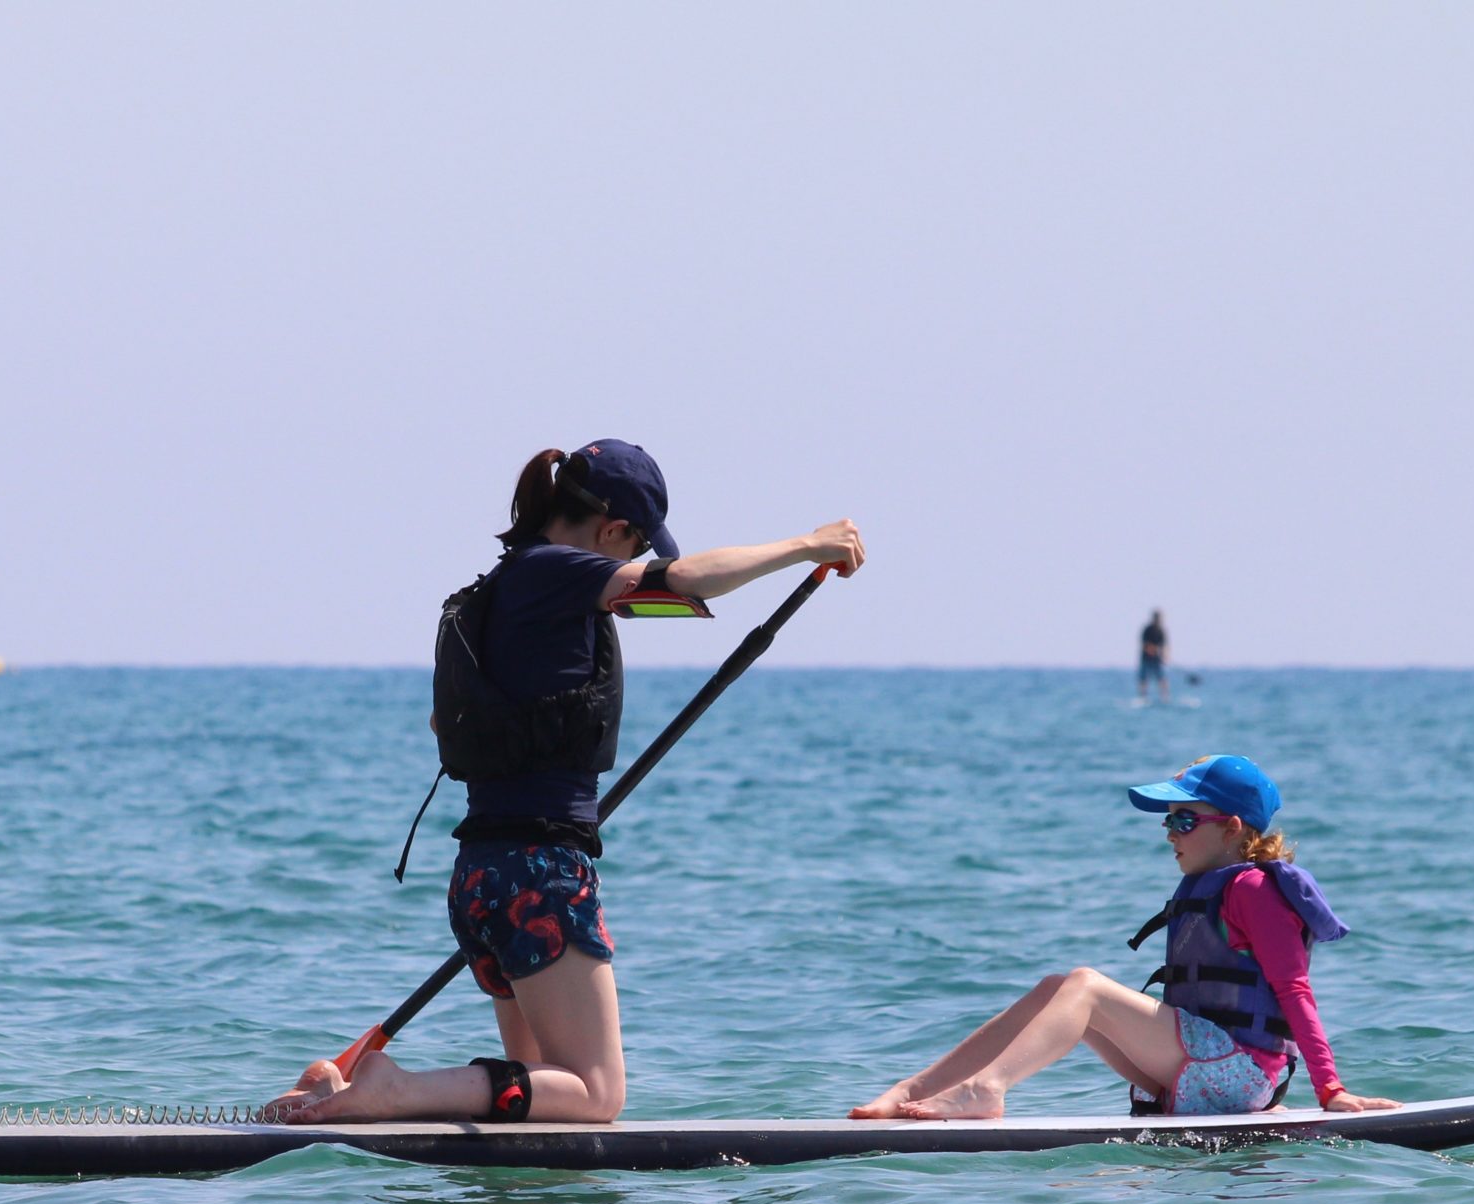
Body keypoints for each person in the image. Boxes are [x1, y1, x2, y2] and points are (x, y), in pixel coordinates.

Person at [274, 439, 865, 1126]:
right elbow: (688, 579)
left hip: (481, 875)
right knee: (595, 1094)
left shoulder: (496, 592)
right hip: (540, 876)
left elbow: (446, 722)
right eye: (635, 545)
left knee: (542, 1096)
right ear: (613, 531)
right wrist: (808, 545)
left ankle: (336, 1089)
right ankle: (393, 1090)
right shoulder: (556, 572)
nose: (633, 562)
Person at [852, 754, 1398, 1121]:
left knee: (1086, 987)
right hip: (1201, 1062)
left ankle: (985, 1089)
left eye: (1185, 820)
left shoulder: (1254, 889)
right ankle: (911, 1091)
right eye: (1167, 820)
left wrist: (1331, 1091)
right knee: (1057, 986)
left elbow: (1294, 992)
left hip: (1240, 1072)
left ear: (1232, 828)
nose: (1168, 832)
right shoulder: (1213, 884)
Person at [1137, 609, 1169, 703]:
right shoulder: (1147, 630)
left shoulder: (1161, 631)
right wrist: (1152, 649)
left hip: (1157, 660)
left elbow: (1164, 645)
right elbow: (1144, 644)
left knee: (1162, 678)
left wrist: (1164, 656)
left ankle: (1165, 697)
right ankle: (1143, 697)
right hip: (1146, 658)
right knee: (1144, 678)